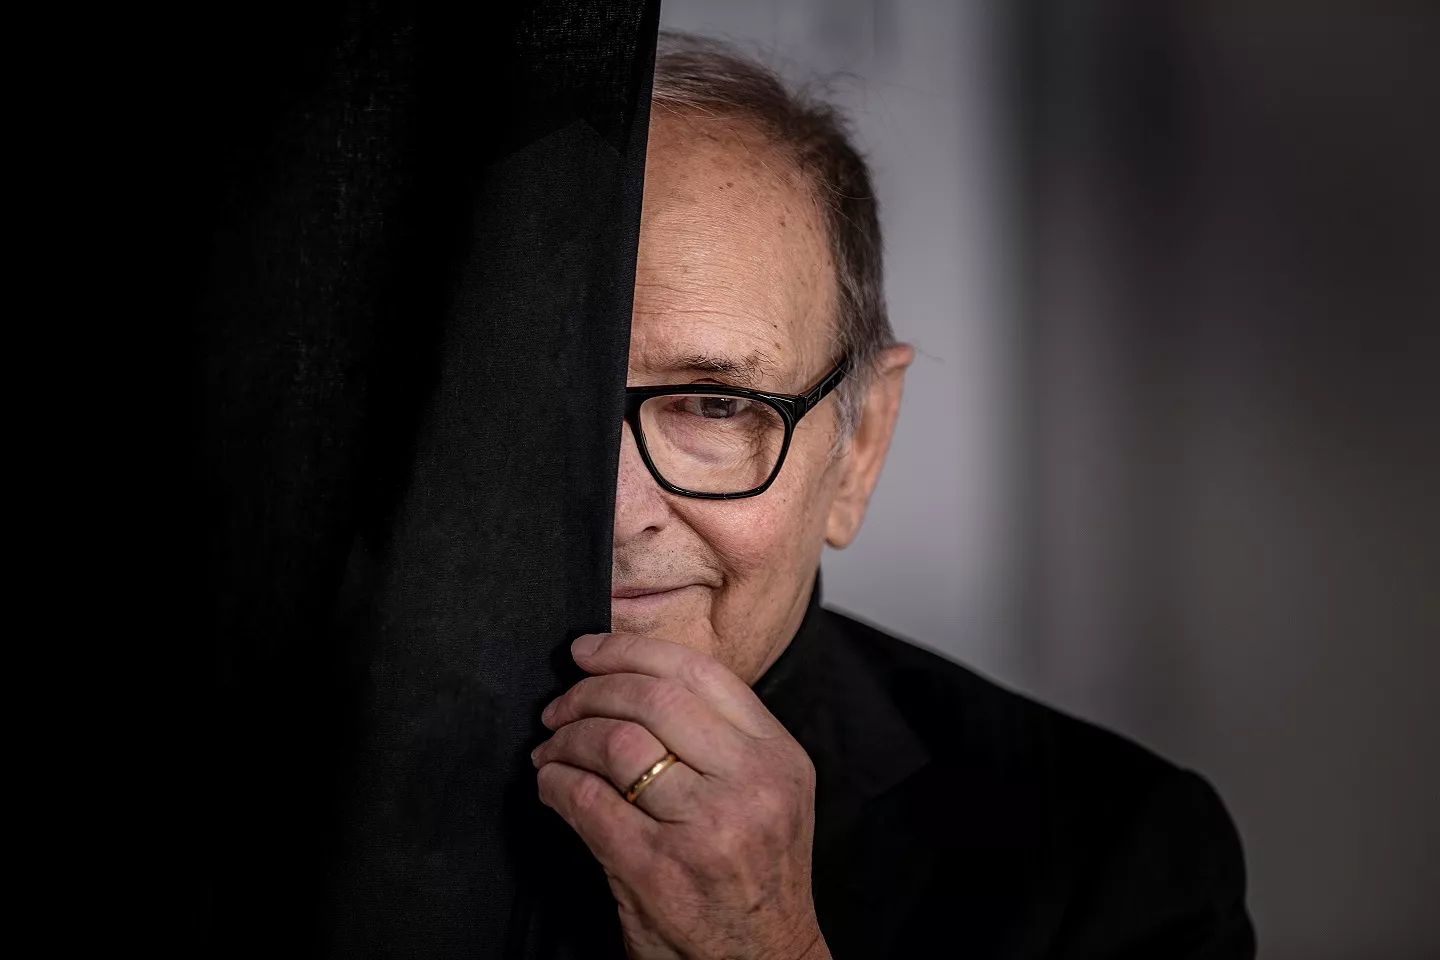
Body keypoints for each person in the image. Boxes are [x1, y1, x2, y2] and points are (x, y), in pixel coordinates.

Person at [528, 32, 1257, 959]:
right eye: (530, 397)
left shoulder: (1114, 855)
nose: (619, 511)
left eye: (717, 404)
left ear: (861, 443)